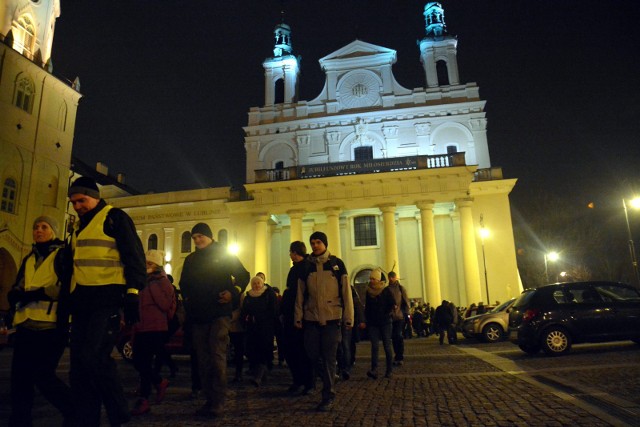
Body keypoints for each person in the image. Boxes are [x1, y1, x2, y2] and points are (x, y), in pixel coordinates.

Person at [67, 176, 146, 427]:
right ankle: (86, 418)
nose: (77, 206)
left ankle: (118, 411)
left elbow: (135, 257)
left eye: (82, 200)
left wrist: (133, 293)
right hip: (82, 302)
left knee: (94, 357)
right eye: (73, 202)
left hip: (108, 299)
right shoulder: (79, 227)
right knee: (79, 364)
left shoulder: (115, 218)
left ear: (95, 196)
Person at [7, 216, 74, 426]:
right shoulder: (29, 257)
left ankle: (72, 409)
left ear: (53, 231)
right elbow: (21, 283)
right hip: (26, 324)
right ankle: (20, 420)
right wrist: (16, 294)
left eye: (44, 227)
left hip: (50, 326)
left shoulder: (62, 255)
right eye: (36, 227)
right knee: (20, 379)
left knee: (43, 376)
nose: (39, 230)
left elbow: (66, 287)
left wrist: (38, 293)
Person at [179, 222, 249, 418]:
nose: (197, 240)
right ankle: (209, 398)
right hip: (198, 314)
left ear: (209, 237)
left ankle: (218, 401)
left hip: (219, 312)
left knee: (217, 355)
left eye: (200, 236)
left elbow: (243, 276)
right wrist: (188, 299)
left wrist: (233, 293)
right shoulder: (191, 259)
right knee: (203, 358)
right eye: (194, 238)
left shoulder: (223, 254)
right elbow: (183, 283)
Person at [295, 231, 354, 412]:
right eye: (312, 242)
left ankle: (328, 395)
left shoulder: (336, 265)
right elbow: (300, 294)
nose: (315, 245)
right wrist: (298, 316)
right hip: (311, 317)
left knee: (328, 357)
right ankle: (330, 377)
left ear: (325, 244)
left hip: (332, 318)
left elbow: (346, 293)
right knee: (312, 353)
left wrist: (349, 317)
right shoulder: (306, 267)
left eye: (318, 242)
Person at [130, 250, 176, 416]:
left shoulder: (162, 282)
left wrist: (151, 285)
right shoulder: (141, 281)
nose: (146, 267)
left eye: (149, 264)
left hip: (155, 327)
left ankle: (144, 400)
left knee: (144, 363)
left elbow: (165, 305)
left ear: (157, 266)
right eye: (145, 263)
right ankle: (159, 381)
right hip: (141, 326)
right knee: (138, 362)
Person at [280, 241, 314, 395]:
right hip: (293, 314)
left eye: (291, 252)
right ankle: (302, 381)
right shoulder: (299, 268)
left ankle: (304, 382)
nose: (290, 255)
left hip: (299, 315)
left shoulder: (303, 268)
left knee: (299, 351)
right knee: (295, 350)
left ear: (295, 252)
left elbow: (298, 293)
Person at [240, 275, 278, 386]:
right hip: (252, 328)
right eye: (254, 284)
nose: (256, 285)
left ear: (262, 283)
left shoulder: (268, 294)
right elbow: (244, 311)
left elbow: (273, 310)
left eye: (258, 283)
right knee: (254, 350)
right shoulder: (249, 296)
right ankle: (261, 375)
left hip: (266, 328)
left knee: (263, 350)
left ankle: (259, 376)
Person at [363, 268, 395, 379]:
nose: (371, 280)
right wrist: (366, 319)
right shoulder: (368, 291)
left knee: (387, 345)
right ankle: (374, 369)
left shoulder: (385, 290)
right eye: (370, 278)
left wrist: (386, 313)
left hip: (385, 322)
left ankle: (389, 369)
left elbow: (392, 303)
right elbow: (367, 307)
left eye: (373, 279)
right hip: (373, 322)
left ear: (378, 279)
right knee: (374, 346)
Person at [387, 271, 410, 366]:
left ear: (395, 278)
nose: (391, 279)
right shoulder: (387, 289)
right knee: (394, 337)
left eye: (393, 277)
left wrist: (406, 314)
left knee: (398, 335)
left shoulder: (401, 289)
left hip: (400, 316)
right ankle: (397, 355)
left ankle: (399, 356)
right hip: (390, 317)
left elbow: (406, 302)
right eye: (390, 277)